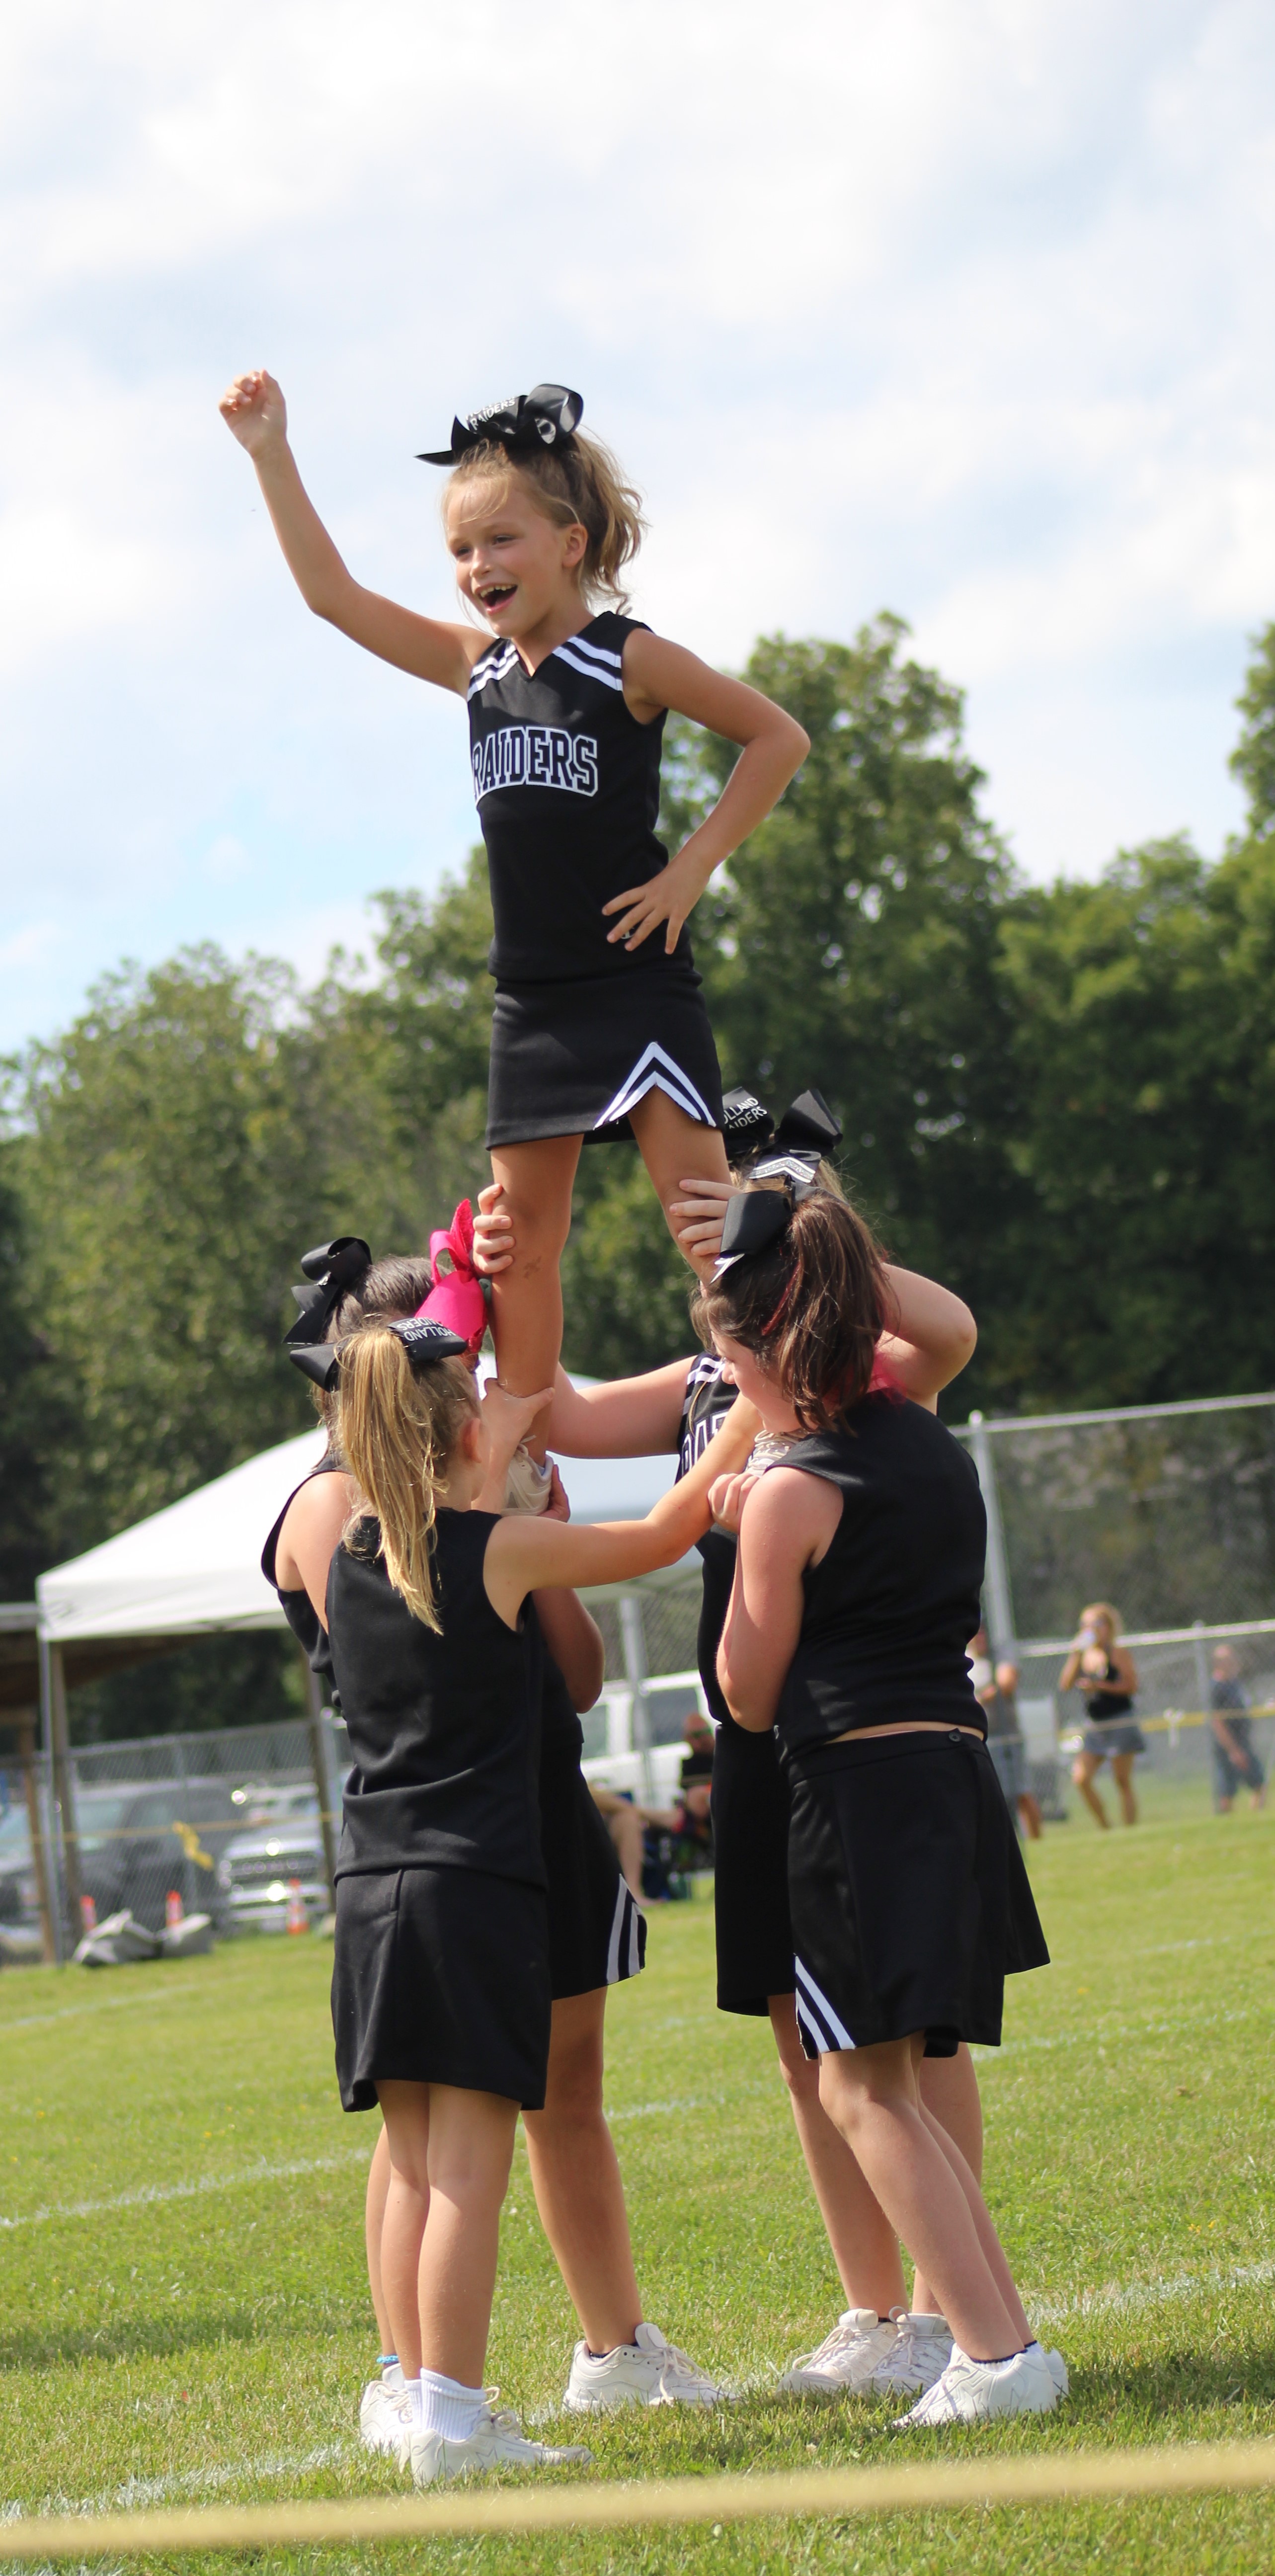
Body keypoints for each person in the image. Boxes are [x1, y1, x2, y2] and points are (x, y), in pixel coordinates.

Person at [219, 370, 808, 1501]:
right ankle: (525, 1445)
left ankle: (790, 1394)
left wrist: (691, 867)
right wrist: (270, 454)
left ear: (567, 539)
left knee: (703, 1223)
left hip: (636, 987)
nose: (477, 568)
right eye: (459, 551)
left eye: (500, 540)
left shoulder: (629, 659)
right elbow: (333, 597)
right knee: (520, 1248)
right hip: (531, 1005)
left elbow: (773, 738)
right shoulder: (473, 667)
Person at [532, 1103, 1012, 2404]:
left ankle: (943, 2313)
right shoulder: (709, 1378)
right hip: (765, 1745)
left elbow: (952, 1332)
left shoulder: (864, 1362)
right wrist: (508, 1278)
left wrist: (804, 1226)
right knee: (803, 2036)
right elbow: (559, 1413)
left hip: (859, 1732)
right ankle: (874, 2312)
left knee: (912, 2042)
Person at [275, 1307, 755, 2483]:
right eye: (482, 1392)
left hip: (372, 1895)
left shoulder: (351, 1550)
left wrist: (497, 1457)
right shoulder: (489, 1546)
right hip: (474, 1891)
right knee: (472, 2174)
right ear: (449, 1423)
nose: (509, 1398)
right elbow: (658, 1532)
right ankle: (450, 2420)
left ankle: (429, 2403)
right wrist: (749, 1409)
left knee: (425, 2160)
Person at [704, 1185, 1063, 2426]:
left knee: (857, 2087)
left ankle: (998, 2356)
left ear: (763, 1349)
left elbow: (743, 1697)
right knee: (898, 2087)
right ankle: (998, 2342)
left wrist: (743, 1516)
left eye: (728, 1352)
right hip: (949, 1773)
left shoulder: (791, 1489)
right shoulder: (925, 1435)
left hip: (852, 1789)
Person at [1059, 1603, 1142, 1829]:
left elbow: (1131, 1686)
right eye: (1085, 1625)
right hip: (1095, 1725)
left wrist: (1100, 1686)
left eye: (1096, 1624)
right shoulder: (1083, 1655)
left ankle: (1130, 1829)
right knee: (1081, 1779)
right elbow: (1065, 1685)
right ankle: (1105, 1825)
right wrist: (1075, 1654)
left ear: (1108, 1627)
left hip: (1120, 1719)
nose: (1091, 1629)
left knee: (1122, 1780)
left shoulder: (1118, 1653)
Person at [968, 1629, 1042, 1842]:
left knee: (1021, 1791)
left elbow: (1006, 1683)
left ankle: (1037, 1841)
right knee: (991, 1794)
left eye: (984, 1632)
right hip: (981, 1738)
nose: (980, 1637)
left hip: (1007, 1735)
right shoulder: (964, 1660)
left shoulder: (1000, 1656)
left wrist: (979, 1698)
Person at [1209, 1644, 1267, 1814]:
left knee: (1259, 1782)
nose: (1233, 1662)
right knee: (1228, 1789)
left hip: (1243, 1742)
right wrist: (1233, 1750)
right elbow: (1217, 1722)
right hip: (1228, 1745)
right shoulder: (1217, 1687)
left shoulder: (1235, 1683)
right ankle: (1225, 1821)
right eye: (1228, 1659)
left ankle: (1255, 1818)